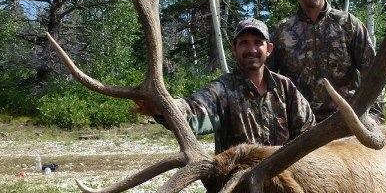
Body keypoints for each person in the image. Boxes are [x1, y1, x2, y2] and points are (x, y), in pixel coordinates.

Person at [135, 18, 315, 153]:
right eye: (244, 42)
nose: (251, 49)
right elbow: (195, 118)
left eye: (258, 43)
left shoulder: (285, 88)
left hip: (283, 182)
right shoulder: (222, 90)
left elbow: (309, 133)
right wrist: (163, 107)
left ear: (268, 49)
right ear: (234, 48)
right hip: (238, 186)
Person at [270, 0, 386, 123]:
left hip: (345, 122)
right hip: (300, 126)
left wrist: (374, 116)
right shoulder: (282, 31)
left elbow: (373, 73)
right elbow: (267, 80)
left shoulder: (348, 23)